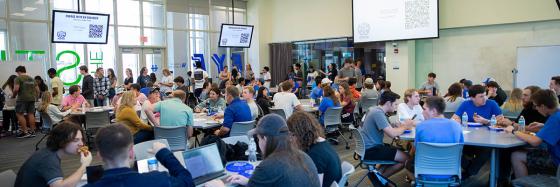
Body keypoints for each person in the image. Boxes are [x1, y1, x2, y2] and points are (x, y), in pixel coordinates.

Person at [206, 114, 321, 187]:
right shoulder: (303, 156)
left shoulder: (268, 166)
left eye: (258, 139)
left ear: (264, 139)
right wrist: (249, 182)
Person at [85, 124, 195, 187]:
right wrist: (164, 154)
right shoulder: (158, 180)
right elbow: (187, 181)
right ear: (132, 152)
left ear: (99, 155)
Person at [15, 122, 92, 187]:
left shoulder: (48, 153)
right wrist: (84, 165)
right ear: (62, 140)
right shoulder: (48, 159)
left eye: (81, 139)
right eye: (76, 140)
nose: (81, 144)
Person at [506, 89, 560, 179]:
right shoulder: (557, 114)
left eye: (536, 106)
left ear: (542, 106)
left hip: (556, 160)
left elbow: (535, 141)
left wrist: (513, 131)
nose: (536, 109)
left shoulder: (554, 119)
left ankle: (522, 184)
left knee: (516, 156)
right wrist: (543, 126)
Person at [361, 91, 413, 183]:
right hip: (371, 150)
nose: (396, 107)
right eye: (395, 104)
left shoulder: (374, 109)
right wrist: (405, 126)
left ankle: (379, 174)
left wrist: (397, 126)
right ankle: (381, 179)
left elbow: (388, 127)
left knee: (397, 152)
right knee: (407, 158)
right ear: (389, 103)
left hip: (367, 147)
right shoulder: (378, 113)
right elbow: (392, 134)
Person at [451, 84, 503, 178]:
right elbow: (454, 118)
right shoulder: (466, 104)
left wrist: (486, 121)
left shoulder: (492, 104)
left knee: (487, 150)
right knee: (454, 147)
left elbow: (502, 121)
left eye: (485, 95)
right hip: (468, 138)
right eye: (481, 96)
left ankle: (470, 171)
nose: (485, 98)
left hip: (487, 138)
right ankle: (470, 168)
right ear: (472, 98)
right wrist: (458, 121)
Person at [407, 96, 465, 177]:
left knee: (408, 163)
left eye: (424, 109)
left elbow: (417, 149)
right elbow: (460, 150)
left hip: (424, 171)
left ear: (433, 111)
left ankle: (418, 182)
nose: (422, 112)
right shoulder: (456, 126)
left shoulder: (421, 126)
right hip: (450, 171)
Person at [287, 112, 342, 187]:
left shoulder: (314, 156)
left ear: (300, 134)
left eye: (292, 135)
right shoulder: (321, 143)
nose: (290, 139)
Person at [13, 66, 39, 138]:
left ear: (19, 71)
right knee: (31, 114)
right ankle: (32, 131)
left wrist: (13, 96)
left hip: (22, 99)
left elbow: (16, 89)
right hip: (32, 99)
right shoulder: (31, 79)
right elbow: (38, 90)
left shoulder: (18, 78)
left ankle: (25, 132)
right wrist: (36, 98)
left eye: (17, 73)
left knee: (19, 114)